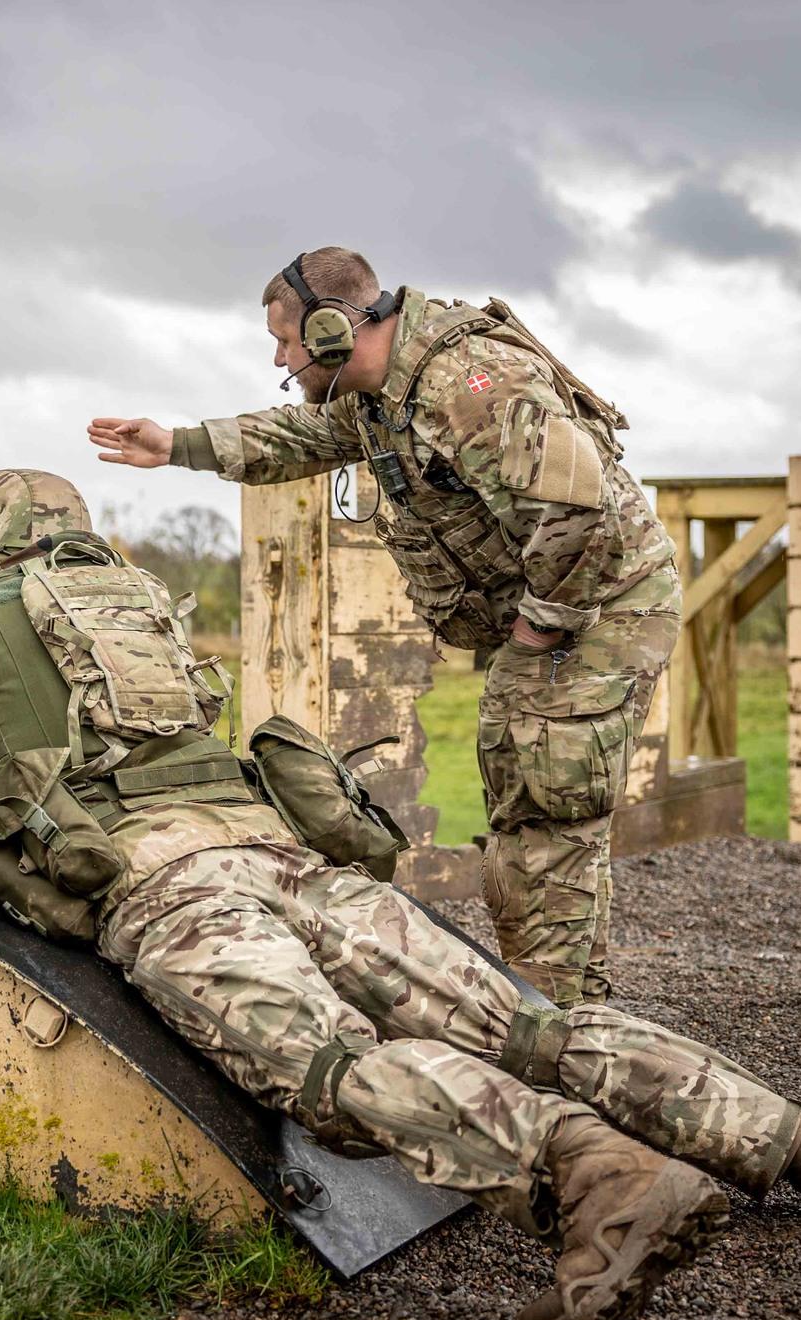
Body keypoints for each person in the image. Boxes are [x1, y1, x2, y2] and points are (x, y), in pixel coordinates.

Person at [0, 468, 801, 1320]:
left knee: (330, 1071)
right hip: (285, 858)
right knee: (526, 1024)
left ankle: (597, 1182)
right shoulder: (143, 607)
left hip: (165, 887)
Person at [88, 247, 673, 1009]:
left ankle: (557, 1030)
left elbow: (578, 510)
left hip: (599, 609)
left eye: (285, 341)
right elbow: (297, 438)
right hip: (565, 611)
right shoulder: (379, 394)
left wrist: (539, 630)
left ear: (331, 331)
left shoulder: (469, 385)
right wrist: (177, 446)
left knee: (543, 809)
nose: (279, 357)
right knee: (543, 815)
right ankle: (573, 1010)